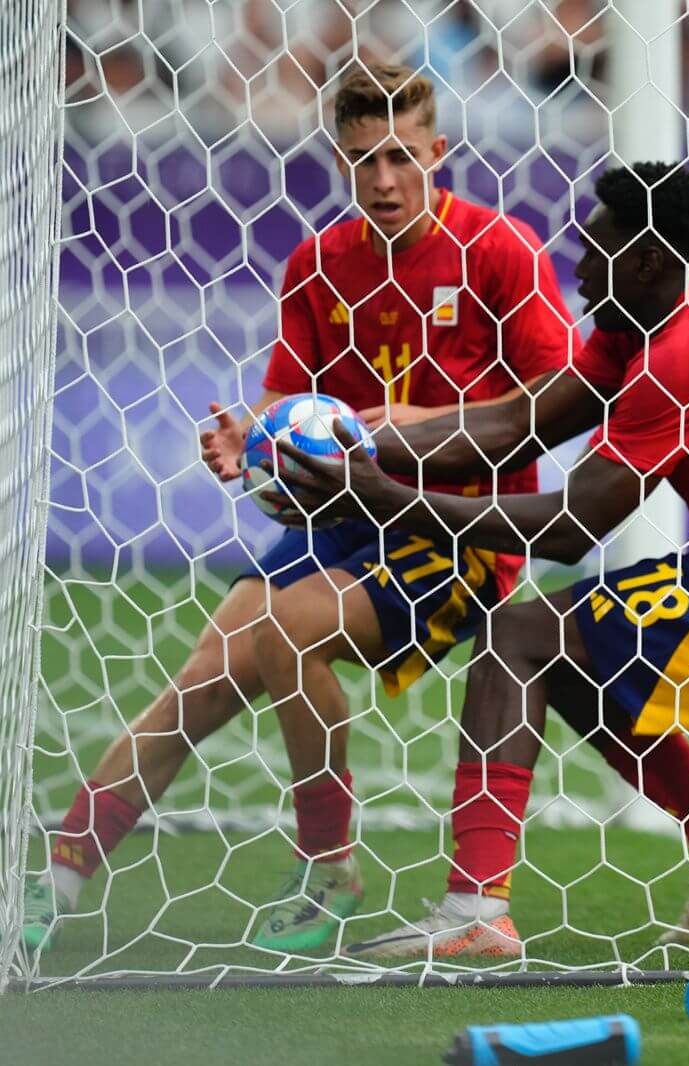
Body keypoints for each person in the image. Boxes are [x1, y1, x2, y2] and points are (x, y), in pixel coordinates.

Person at [271, 161, 689, 957]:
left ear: (646, 259)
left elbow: (571, 527)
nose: (577, 266)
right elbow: (515, 425)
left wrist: (381, 496)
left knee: (517, 639)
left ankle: (475, 909)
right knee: (564, 647)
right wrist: (358, 450)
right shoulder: (648, 323)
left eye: (595, 247)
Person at [24, 63, 575, 955]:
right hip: (346, 514)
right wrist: (251, 442)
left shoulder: (499, 250)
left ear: (438, 152)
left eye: (401, 156)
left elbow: (558, 399)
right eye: (363, 160)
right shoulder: (318, 264)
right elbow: (290, 403)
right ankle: (56, 880)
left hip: (459, 528)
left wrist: (419, 424)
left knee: (286, 626)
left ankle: (328, 864)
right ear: (340, 161)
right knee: (208, 669)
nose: (384, 179)